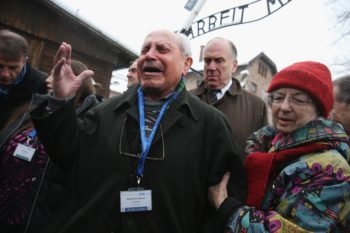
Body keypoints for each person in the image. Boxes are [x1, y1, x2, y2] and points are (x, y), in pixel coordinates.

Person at [29, 29, 246, 233]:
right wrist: (59, 102)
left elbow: (223, 202)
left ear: (186, 64)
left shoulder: (211, 124)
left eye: (162, 49)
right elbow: (66, 158)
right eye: (145, 50)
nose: (150, 55)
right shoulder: (103, 111)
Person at [208, 61, 350, 232]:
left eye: (298, 100)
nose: (284, 107)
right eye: (278, 97)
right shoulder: (262, 146)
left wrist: (228, 208)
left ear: (319, 110)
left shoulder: (332, 169)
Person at [0, 59, 101, 233]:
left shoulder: (86, 123)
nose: (47, 79)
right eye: (51, 73)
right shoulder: (32, 107)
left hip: (37, 221)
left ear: (75, 81)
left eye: (55, 75)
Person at [190, 37, 268, 158]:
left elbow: (261, 155)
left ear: (234, 66)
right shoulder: (186, 99)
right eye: (207, 61)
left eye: (219, 60)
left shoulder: (256, 107)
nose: (211, 67)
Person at [0, 29, 48, 130]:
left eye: (13, 68)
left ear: (24, 61)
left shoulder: (42, 86)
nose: (5, 74)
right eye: (0, 66)